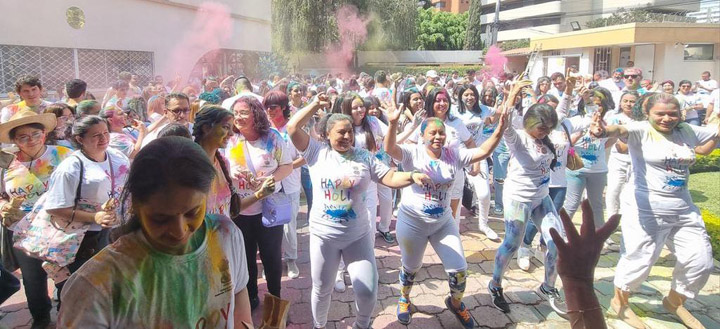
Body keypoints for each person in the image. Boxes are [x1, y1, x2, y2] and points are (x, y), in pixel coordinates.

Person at [57, 137, 275, 328]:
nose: (179, 231)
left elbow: (238, 295)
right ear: (136, 206)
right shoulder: (94, 286)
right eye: (160, 218)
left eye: (192, 212)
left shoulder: (225, 234)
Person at [287, 93, 430, 329]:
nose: (346, 136)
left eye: (350, 132)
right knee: (322, 290)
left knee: (367, 291)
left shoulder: (364, 156)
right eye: (340, 132)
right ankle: (319, 325)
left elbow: (389, 176)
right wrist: (314, 104)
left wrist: (411, 176)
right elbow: (292, 127)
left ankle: (362, 325)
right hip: (324, 237)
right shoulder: (316, 153)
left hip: (358, 236)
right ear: (327, 134)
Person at [590, 93, 719, 329]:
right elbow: (618, 130)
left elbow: (708, 142)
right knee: (640, 258)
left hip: (683, 208)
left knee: (701, 261)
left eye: (673, 113)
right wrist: (601, 131)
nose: (667, 118)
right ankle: (620, 304)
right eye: (660, 114)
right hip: (645, 207)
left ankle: (674, 302)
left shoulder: (687, 131)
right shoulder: (640, 130)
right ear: (648, 113)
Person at [384, 92, 509, 328]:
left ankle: (455, 302)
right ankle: (405, 299)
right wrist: (392, 124)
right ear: (422, 136)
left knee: (460, 271)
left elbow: (482, 152)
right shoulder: (412, 154)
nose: (438, 137)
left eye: (441, 133)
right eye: (432, 132)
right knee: (411, 268)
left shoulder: (454, 155)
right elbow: (390, 148)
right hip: (412, 222)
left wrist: (500, 130)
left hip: (443, 222)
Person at [488, 81, 567, 316]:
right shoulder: (518, 138)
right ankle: (495, 285)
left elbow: (561, 112)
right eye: (542, 128)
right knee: (511, 244)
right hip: (518, 199)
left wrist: (569, 92)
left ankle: (548, 287)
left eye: (548, 129)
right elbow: (504, 122)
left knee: (556, 242)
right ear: (530, 123)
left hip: (542, 198)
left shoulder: (546, 139)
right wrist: (511, 94)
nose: (545, 133)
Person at [42, 115, 130, 307]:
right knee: (80, 291)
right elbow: (55, 207)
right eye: (96, 135)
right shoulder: (70, 167)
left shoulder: (117, 157)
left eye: (105, 132)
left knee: (109, 286)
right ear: (80, 139)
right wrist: (94, 217)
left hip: (115, 232)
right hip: (84, 239)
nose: (103, 138)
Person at [0, 110, 71, 328]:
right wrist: (4, 207)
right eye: (23, 136)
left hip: (61, 228)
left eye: (35, 133)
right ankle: (40, 318)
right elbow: (2, 195)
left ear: (44, 133)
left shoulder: (64, 155)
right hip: (23, 231)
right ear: (14, 140)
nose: (30, 140)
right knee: (32, 279)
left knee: (65, 276)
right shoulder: (5, 164)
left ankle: (68, 315)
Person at [224, 96, 292, 309]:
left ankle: (275, 301)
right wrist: (231, 171)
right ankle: (251, 297)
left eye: (244, 112)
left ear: (256, 114)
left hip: (270, 210)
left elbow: (287, 166)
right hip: (241, 211)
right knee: (246, 257)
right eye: (235, 113)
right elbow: (220, 165)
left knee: (272, 259)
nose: (238, 117)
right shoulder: (230, 139)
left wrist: (271, 179)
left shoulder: (272, 138)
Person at [408, 88, 476, 222]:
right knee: (430, 214)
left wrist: (476, 164)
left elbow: (470, 143)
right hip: (430, 176)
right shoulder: (423, 122)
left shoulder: (456, 122)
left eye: (445, 100)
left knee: (452, 215)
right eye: (438, 100)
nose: (442, 103)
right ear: (431, 102)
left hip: (455, 175)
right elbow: (410, 143)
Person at [263, 90, 304, 279]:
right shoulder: (263, 130)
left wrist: (286, 168)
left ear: (284, 108)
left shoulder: (292, 130)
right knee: (269, 226)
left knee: (289, 225)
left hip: (291, 184)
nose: (269, 111)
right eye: (267, 107)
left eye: (273, 107)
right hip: (270, 186)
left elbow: (305, 156)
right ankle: (271, 261)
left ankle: (291, 259)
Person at [562, 87, 616, 228]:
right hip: (576, 170)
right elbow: (566, 143)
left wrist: (598, 147)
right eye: (593, 104)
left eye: (599, 104)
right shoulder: (578, 120)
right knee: (571, 204)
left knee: (597, 206)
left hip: (598, 171)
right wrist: (580, 134)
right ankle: (559, 235)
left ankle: (599, 239)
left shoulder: (607, 123)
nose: (596, 108)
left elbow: (612, 139)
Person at [455, 84, 499, 240]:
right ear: (460, 96)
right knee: (455, 195)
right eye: (466, 94)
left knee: (484, 193)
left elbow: (500, 113)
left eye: (472, 94)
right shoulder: (454, 111)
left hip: (478, 156)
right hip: (457, 156)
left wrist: (508, 95)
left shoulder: (483, 109)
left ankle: (484, 224)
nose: (469, 97)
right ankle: (453, 228)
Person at [604, 91, 640, 217]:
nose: (629, 104)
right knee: (614, 189)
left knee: (631, 192)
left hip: (636, 161)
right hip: (618, 160)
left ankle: (628, 217)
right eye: (625, 101)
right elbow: (619, 146)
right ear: (620, 103)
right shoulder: (614, 118)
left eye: (632, 101)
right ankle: (611, 218)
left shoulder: (642, 121)